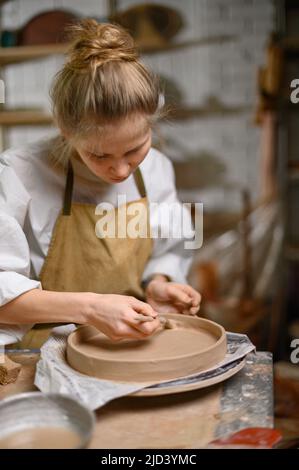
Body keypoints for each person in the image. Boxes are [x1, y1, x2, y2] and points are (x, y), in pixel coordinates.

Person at [0, 20, 201, 346]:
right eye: (99, 155)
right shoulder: (20, 174)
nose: (120, 169)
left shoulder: (157, 170)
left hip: (132, 343)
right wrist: (91, 308)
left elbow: (169, 250)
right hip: (46, 352)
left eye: (135, 148)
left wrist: (158, 283)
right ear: (66, 131)